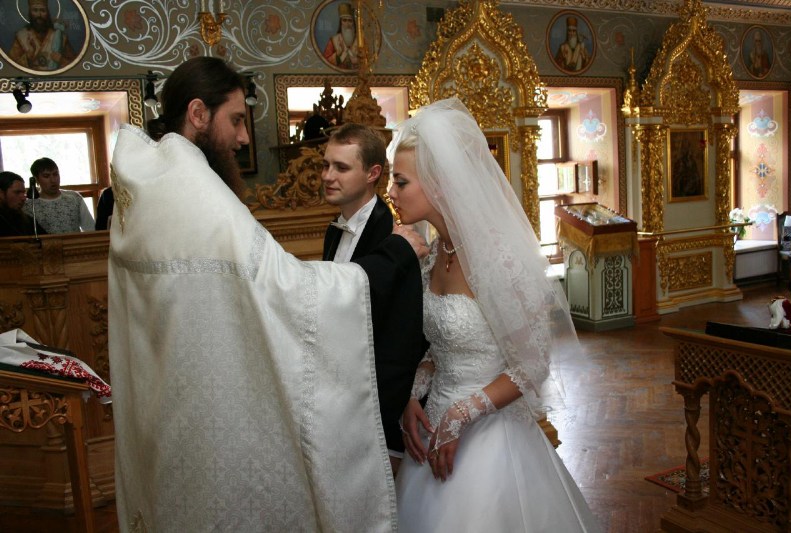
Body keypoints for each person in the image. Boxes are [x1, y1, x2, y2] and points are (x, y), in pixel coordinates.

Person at [108, 56, 427, 532]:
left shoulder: (154, 182)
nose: (243, 138)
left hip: (168, 406)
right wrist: (397, 253)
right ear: (198, 114)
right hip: (206, 411)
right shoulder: (193, 190)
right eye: (236, 120)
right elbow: (290, 290)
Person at [387, 98, 600, 532]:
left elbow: (532, 364)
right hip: (434, 429)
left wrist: (461, 415)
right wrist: (412, 396)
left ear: (438, 185)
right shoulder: (435, 256)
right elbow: (441, 348)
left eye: (400, 181)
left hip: (492, 438)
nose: (391, 192)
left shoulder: (498, 262)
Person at [321, 123, 427, 475]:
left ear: (373, 174)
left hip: (378, 408)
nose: (327, 176)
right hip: (340, 398)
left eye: (341, 167)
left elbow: (401, 336)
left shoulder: (394, 236)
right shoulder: (334, 230)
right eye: (326, 165)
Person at [22, 158, 95, 233]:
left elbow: (90, 228)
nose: (53, 180)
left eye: (55, 174)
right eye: (46, 176)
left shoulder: (74, 198)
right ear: (36, 179)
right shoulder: (29, 205)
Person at [8, 0, 76, 71]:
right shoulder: (22, 36)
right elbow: (11, 66)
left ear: (47, 13)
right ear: (30, 13)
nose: (39, 15)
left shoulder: (60, 36)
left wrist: (61, 60)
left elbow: (74, 66)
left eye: (43, 10)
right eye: (35, 10)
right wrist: (28, 57)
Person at [0, 171, 47, 237]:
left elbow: (47, 239)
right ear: (1, 193)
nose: (24, 198)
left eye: (23, 192)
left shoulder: (27, 220)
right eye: (17, 192)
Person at [323, 2, 359, 69]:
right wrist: (337, 55)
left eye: (350, 21)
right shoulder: (333, 41)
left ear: (353, 23)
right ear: (341, 22)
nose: (347, 24)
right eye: (344, 20)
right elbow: (326, 61)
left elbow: (368, 58)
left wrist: (357, 59)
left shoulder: (360, 40)